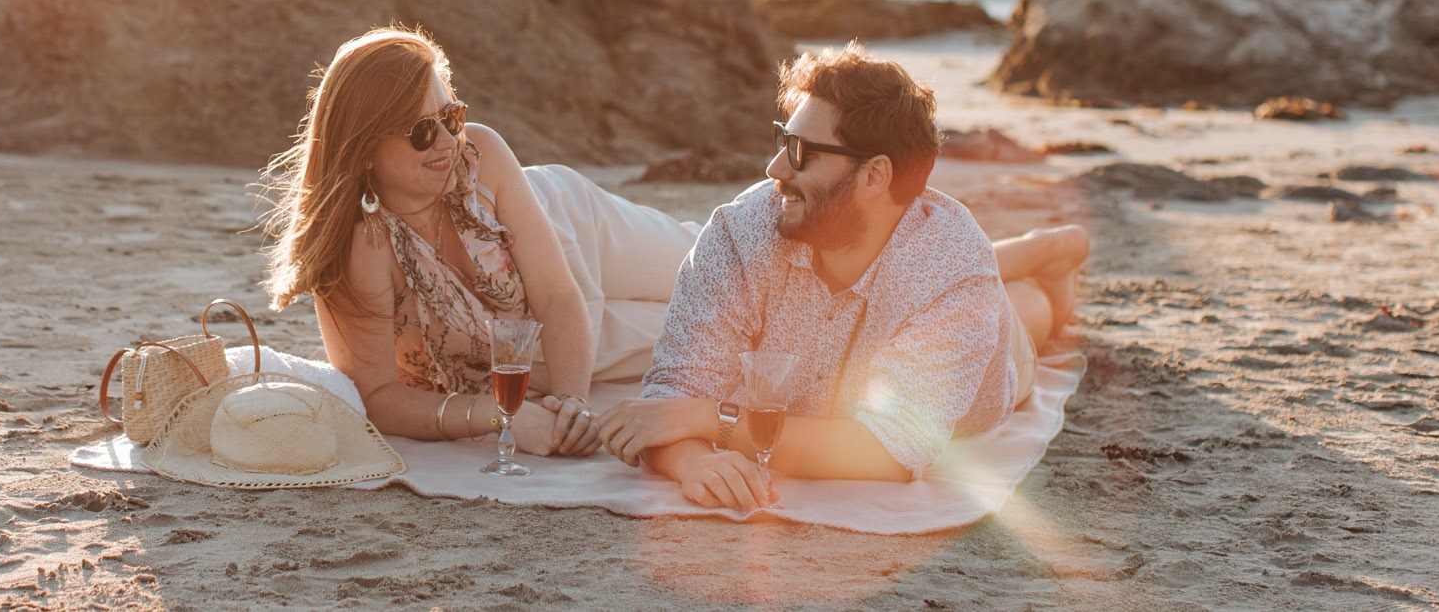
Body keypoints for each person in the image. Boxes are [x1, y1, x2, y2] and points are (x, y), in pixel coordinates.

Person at [597, 42, 1089, 509]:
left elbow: (885, 450)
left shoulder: (956, 272)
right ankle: (1031, 252)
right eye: (780, 140)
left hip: (993, 363)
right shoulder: (742, 230)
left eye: (799, 150)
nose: (774, 168)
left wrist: (712, 419)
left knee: (1029, 315)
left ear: (875, 175)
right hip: (924, 273)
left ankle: (1048, 258)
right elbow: (667, 399)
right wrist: (693, 463)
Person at [261, 26, 701, 457]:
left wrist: (574, 404)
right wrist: (500, 415)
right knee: (718, 338)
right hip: (548, 351)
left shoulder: (482, 152)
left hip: (571, 237)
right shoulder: (360, 249)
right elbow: (377, 397)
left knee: (721, 264)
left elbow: (557, 294)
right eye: (420, 132)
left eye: (451, 117)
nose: (448, 142)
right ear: (364, 150)